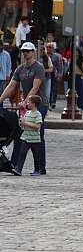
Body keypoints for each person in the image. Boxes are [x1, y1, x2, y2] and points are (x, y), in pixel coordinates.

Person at [0, 42, 48, 175]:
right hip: (27, 105)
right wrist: (1, 99)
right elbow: (11, 86)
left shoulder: (38, 67)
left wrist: (26, 101)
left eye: (28, 51)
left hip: (39, 104)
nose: (25, 53)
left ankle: (40, 167)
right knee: (21, 135)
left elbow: (35, 87)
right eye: (23, 51)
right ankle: (16, 166)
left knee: (38, 136)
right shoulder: (20, 69)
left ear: (33, 52)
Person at [14, 95, 43, 176]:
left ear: (34, 104)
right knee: (22, 154)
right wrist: (21, 123)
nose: (27, 103)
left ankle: (37, 170)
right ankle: (18, 169)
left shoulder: (38, 114)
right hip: (25, 137)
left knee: (36, 156)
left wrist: (25, 123)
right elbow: (23, 125)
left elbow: (37, 127)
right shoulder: (27, 113)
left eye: (28, 102)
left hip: (35, 139)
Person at [46, 42, 63, 109]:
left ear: (53, 48)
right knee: (48, 89)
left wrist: (60, 75)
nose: (48, 49)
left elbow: (60, 66)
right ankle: (49, 102)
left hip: (54, 74)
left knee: (54, 89)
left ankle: (53, 102)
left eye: (50, 47)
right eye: (47, 47)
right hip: (47, 74)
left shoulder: (57, 56)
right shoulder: (45, 55)